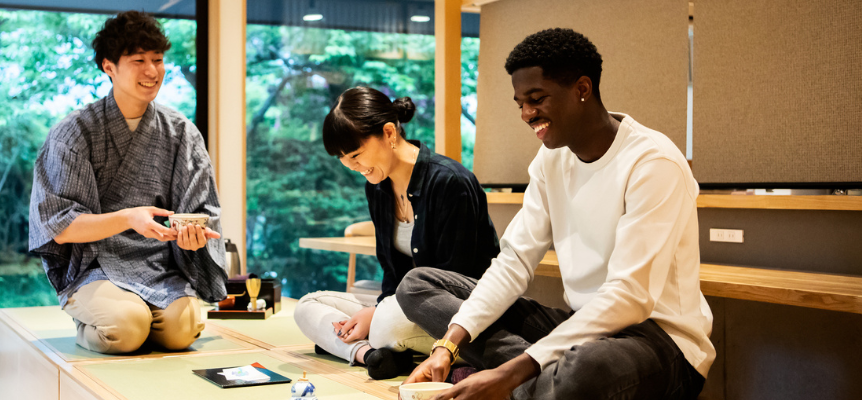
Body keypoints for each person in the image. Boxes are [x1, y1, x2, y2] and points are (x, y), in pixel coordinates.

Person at [399, 28, 713, 400]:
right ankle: (535, 384)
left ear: (582, 89)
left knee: (586, 370)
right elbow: (514, 260)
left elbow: (630, 296)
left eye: (537, 99)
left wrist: (513, 369)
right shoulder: (552, 158)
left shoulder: (652, 162)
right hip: (581, 326)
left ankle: (518, 381)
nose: (527, 114)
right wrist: (446, 347)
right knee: (418, 285)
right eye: (520, 103)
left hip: (660, 340)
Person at [28, 11, 227, 354]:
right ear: (109, 67)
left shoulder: (181, 132)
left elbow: (200, 210)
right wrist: (127, 218)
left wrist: (194, 239)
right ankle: (92, 325)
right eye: (138, 60)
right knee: (127, 327)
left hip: (158, 265)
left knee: (183, 331)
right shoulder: (74, 133)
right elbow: (58, 225)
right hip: (95, 266)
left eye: (158, 60)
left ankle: (143, 319)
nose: (152, 71)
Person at [293, 86, 500, 380]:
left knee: (386, 324)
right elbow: (392, 273)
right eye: (342, 158)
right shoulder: (377, 187)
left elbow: (457, 278)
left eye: (355, 154)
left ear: (389, 133)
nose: (352, 167)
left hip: (458, 314)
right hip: (402, 305)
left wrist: (378, 313)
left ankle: (378, 344)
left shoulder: (449, 182)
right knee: (307, 306)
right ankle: (372, 356)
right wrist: (378, 307)